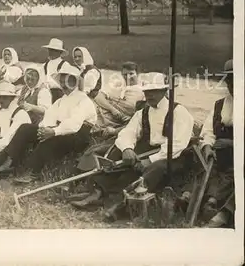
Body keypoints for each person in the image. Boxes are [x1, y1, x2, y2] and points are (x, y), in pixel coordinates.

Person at [69, 74, 195, 222]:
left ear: (164, 91)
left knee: (156, 168)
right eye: (147, 91)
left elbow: (178, 144)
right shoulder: (143, 112)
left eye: (154, 91)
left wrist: (151, 160)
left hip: (171, 156)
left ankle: (121, 206)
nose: (150, 95)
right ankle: (97, 194)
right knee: (117, 151)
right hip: (147, 151)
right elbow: (127, 132)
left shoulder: (179, 112)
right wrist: (127, 149)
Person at [0, 66, 97, 180]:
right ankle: (9, 165)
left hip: (78, 135)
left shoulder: (83, 100)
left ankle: (33, 172)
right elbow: (50, 115)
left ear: (75, 82)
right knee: (25, 128)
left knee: (51, 138)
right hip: (62, 129)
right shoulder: (61, 100)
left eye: (67, 82)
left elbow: (74, 123)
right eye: (62, 82)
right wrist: (43, 129)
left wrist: (53, 131)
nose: (63, 85)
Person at [178, 60, 234, 228]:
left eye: (236, 80)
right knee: (204, 165)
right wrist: (208, 146)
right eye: (229, 80)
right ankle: (189, 198)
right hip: (218, 153)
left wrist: (231, 143)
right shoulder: (220, 105)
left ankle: (213, 202)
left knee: (230, 174)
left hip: (238, 155)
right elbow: (208, 131)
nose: (232, 85)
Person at [41, 38, 73, 103]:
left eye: (54, 50)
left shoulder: (65, 65)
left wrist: (48, 84)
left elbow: (63, 83)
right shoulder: (44, 65)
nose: (51, 52)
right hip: (44, 93)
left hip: (58, 95)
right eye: (50, 49)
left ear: (60, 52)